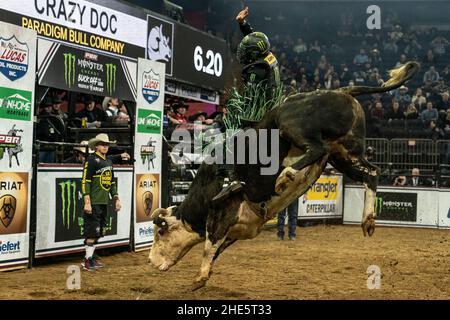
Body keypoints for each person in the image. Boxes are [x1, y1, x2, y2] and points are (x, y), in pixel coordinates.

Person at [212, 6, 281, 205]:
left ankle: (231, 179)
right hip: (272, 107)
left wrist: (235, 111)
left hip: (260, 114)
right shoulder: (269, 57)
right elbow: (255, 41)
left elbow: (249, 98)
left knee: (227, 139)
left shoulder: (256, 70)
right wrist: (243, 25)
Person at [81, 133, 122, 271]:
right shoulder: (91, 160)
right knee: (92, 232)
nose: (105, 146)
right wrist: (87, 201)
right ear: (96, 146)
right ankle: (87, 260)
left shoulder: (108, 162)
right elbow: (85, 181)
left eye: (107, 144)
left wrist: (116, 198)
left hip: (104, 202)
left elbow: (111, 183)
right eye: (103, 144)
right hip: (94, 201)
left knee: (98, 232)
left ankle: (90, 257)